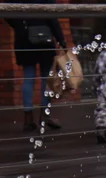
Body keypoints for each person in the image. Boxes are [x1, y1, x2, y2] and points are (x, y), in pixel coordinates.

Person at [7, 2, 67, 132]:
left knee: (29, 76)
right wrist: (61, 40)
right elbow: (52, 17)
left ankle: (28, 118)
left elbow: (6, 11)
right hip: (45, 37)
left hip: (25, 37)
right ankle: (45, 115)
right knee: (46, 77)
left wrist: (21, 26)